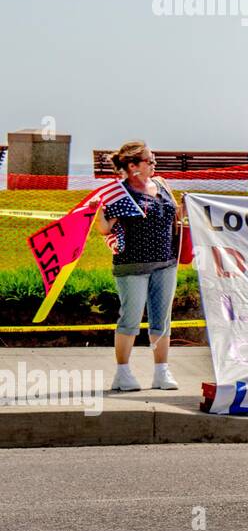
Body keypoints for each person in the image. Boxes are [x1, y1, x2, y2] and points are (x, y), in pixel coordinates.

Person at [93, 141, 181, 391]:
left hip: (166, 262)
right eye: (149, 161)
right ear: (132, 166)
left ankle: (161, 371)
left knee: (162, 321)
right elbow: (104, 228)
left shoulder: (163, 185)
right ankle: (122, 373)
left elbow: (175, 217)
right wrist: (98, 212)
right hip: (132, 265)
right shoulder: (118, 193)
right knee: (130, 319)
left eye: (154, 160)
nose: (154, 164)